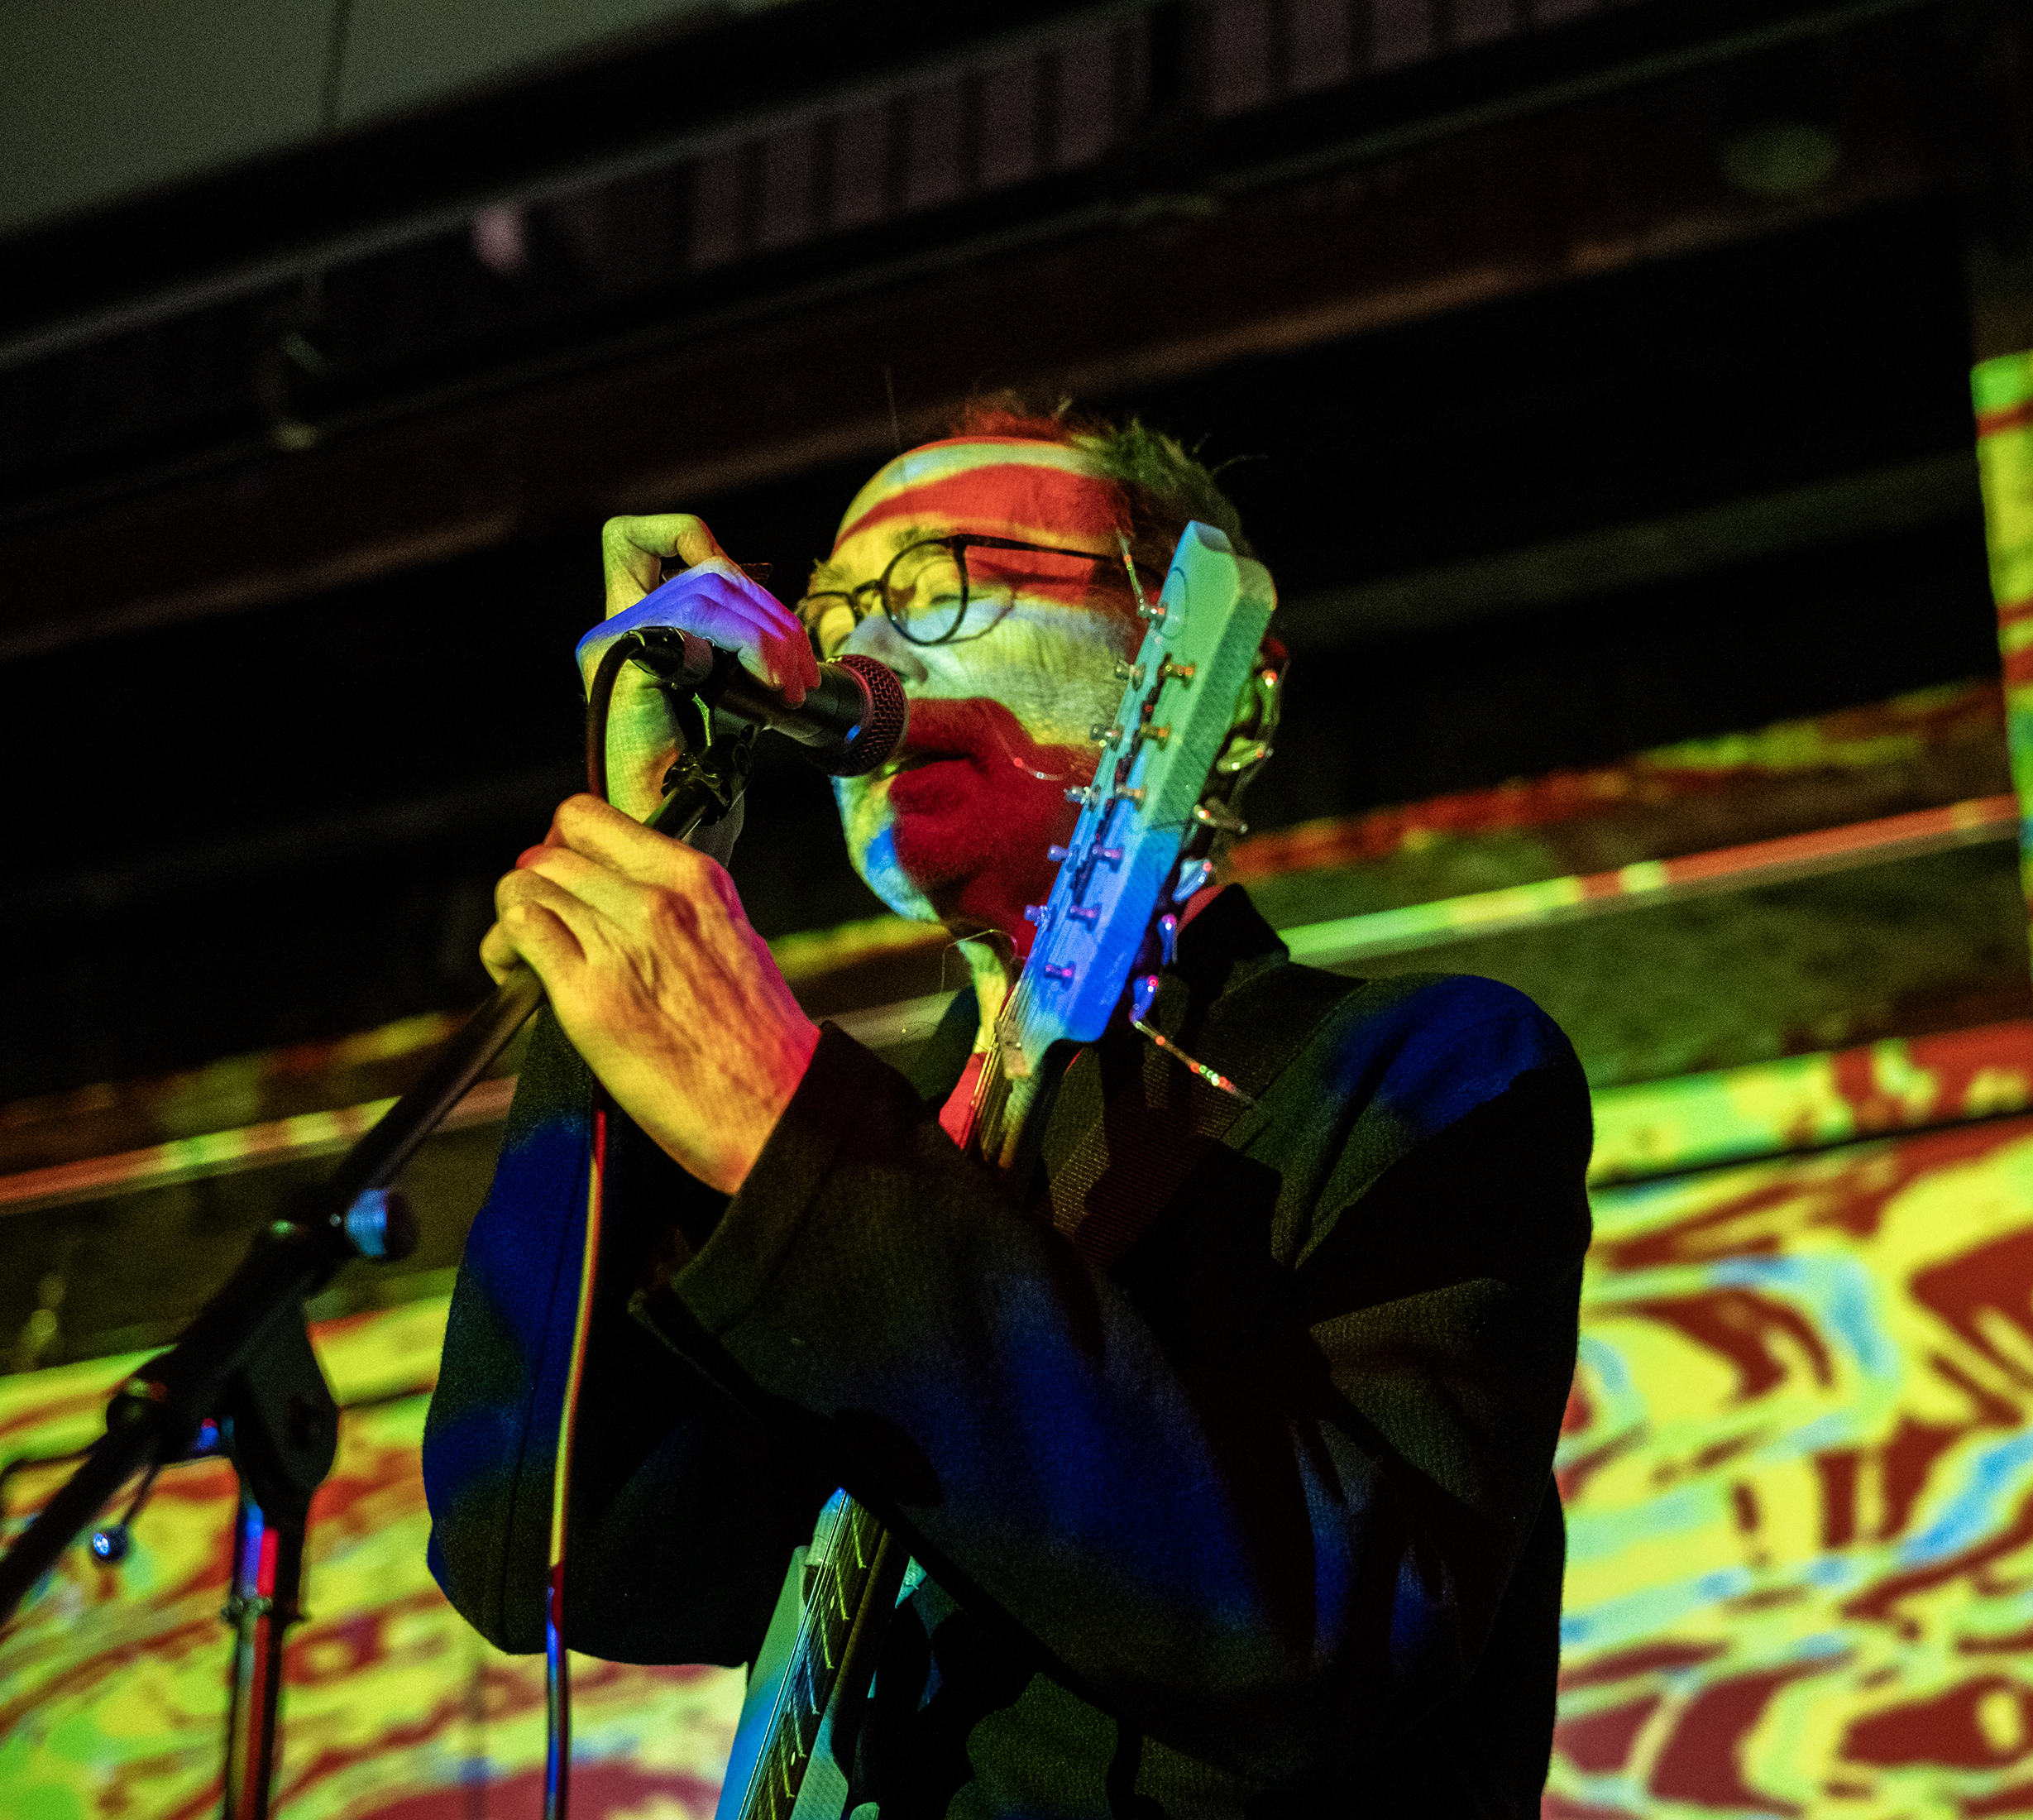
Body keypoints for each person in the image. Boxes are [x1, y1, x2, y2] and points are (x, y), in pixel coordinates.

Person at [420, 402, 1594, 1818]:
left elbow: (1345, 1633)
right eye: (833, 611)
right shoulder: (872, 1137)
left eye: (942, 585)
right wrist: (620, 942)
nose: (858, 650)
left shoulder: (1419, 1071)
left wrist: (795, 1131)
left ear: (1219, 679)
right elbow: (549, 1557)